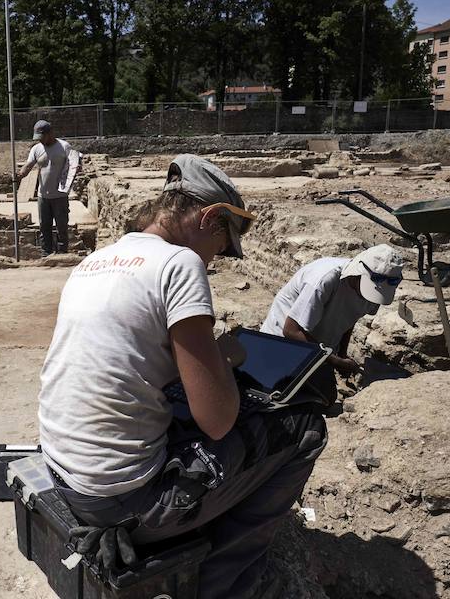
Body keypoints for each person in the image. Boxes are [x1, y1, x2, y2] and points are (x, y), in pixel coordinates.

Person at [38, 154, 328, 598]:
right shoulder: (179, 264)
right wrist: (222, 360)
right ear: (211, 217)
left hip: (65, 475)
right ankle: (222, 584)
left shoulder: (97, 261)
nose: (216, 260)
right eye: (223, 245)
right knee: (305, 427)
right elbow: (217, 420)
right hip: (125, 500)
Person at [260, 245, 406, 376]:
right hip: (280, 343)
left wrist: (342, 354)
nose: (367, 298)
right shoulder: (323, 281)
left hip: (317, 348)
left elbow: (350, 318)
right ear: (359, 273)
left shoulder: (379, 288)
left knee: (324, 396)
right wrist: (335, 361)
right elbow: (291, 331)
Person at [18, 120, 73, 255]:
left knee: (61, 226)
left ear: (50, 133)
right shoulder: (36, 149)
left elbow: (73, 166)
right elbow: (28, 165)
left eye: (42, 137)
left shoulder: (64, 147)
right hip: (43, 196)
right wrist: (20, 174)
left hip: (60, 195)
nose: (40, 141)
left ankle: (62, 253)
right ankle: (46, 253)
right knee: (44, 227)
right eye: (38, 138)